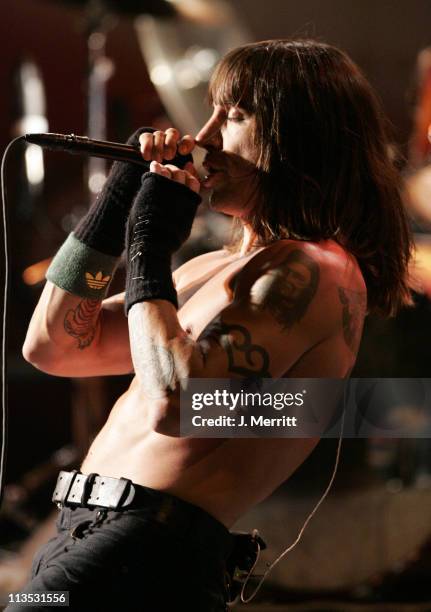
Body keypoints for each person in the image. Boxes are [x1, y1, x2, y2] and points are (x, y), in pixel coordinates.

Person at [9, 39, 412, 611]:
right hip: (88, 533)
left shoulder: (314, 268)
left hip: (143, 550)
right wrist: (116, 204)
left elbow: (178, 404)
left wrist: (148, 245)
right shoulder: (211, 268)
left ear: (294, 135)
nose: (204, 136)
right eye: (213, 112)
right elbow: (52, 347)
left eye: (235, 115)